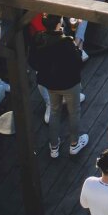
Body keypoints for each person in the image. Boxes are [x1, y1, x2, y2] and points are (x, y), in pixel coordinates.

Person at [39, 19, 88, 158]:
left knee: (55, 112)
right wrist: (78, 47)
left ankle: (54, 147)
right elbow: (78, 60)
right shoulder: (65, 42)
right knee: (74, 112)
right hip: (69, 83)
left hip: (51, 84)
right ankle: (74, 144)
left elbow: (34, 61)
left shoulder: (40, 39)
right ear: (58, 23)